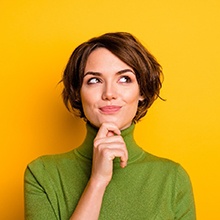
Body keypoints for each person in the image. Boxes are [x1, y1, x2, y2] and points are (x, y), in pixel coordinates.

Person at [24, 32, 196, 220]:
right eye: (94, 80)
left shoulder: (172, 178)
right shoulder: (42, 174)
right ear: (78, 94)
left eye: (124, 79)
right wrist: (97, 182)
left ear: (142, 91)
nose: (109, 93)